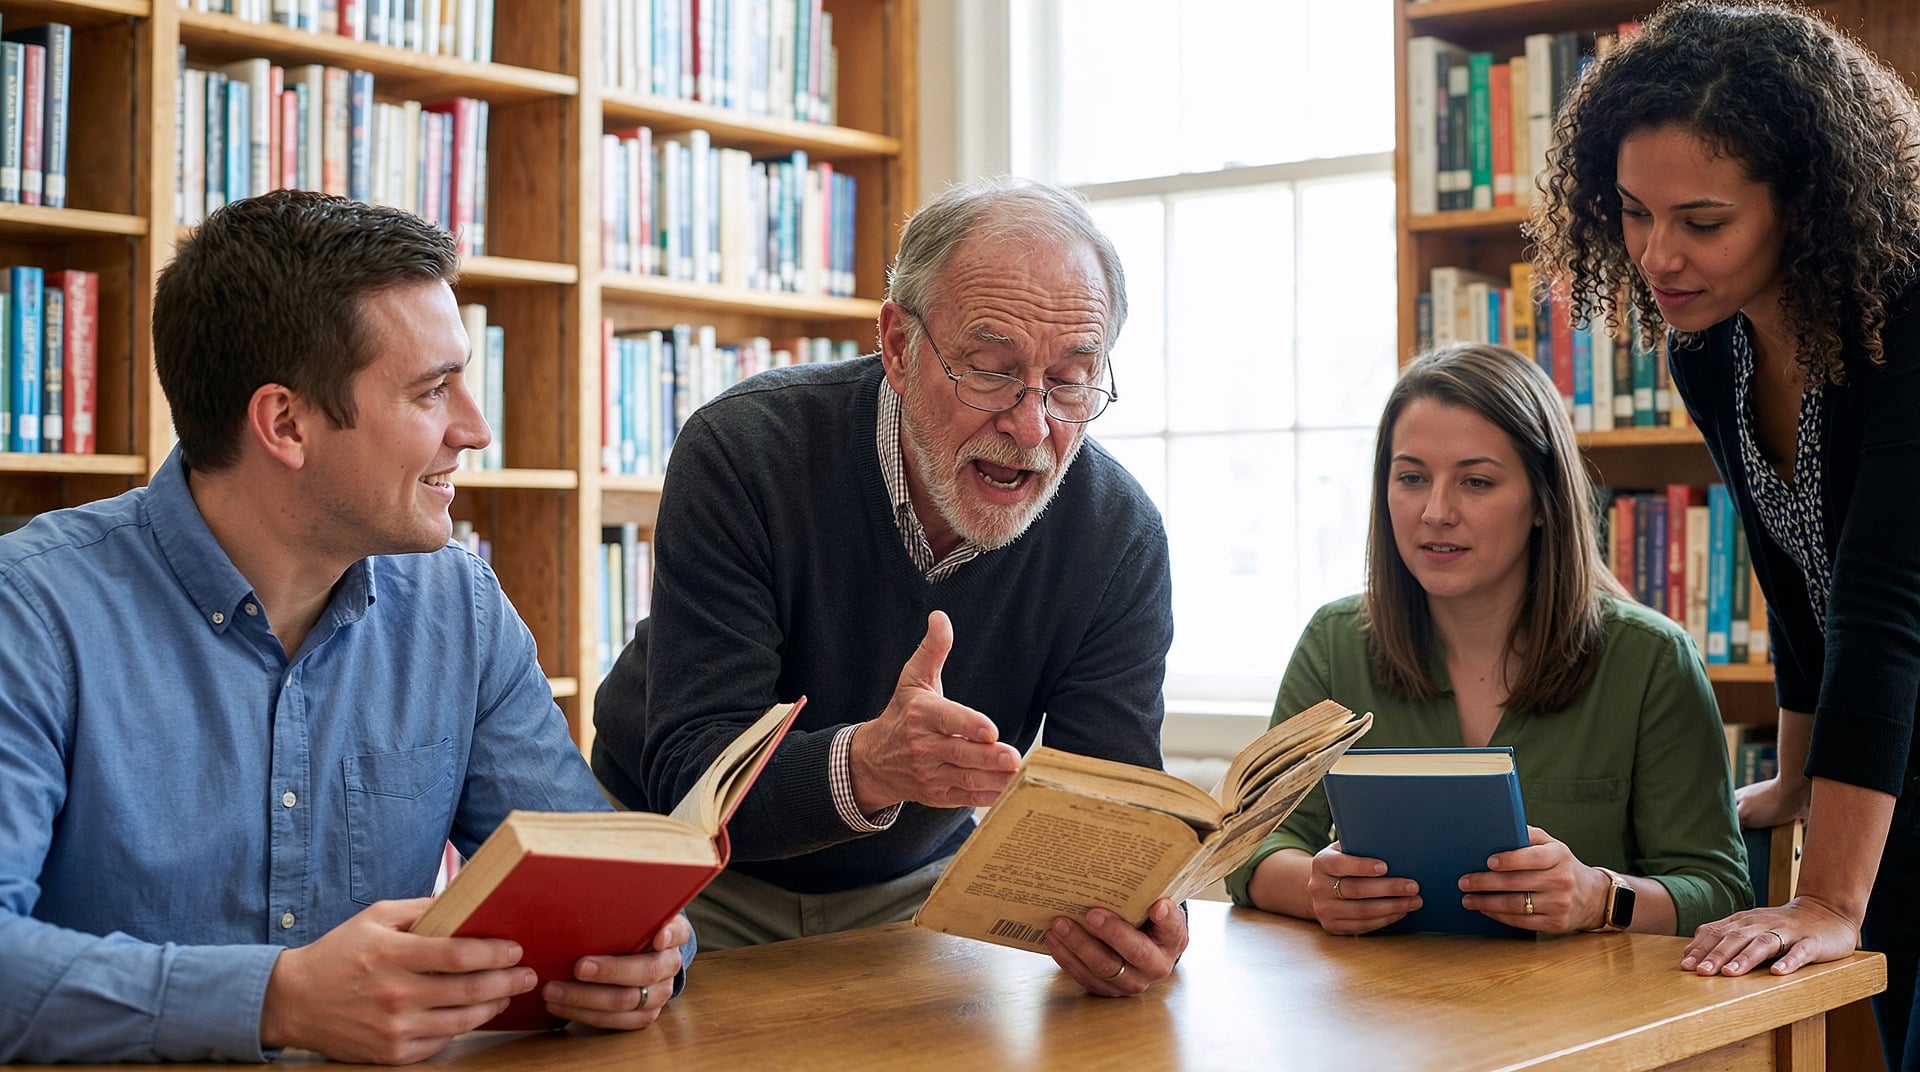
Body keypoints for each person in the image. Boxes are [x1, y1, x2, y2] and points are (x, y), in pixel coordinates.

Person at [0, 190, 694, 1064]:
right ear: (285, 423)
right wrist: (275, 1000)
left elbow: (602, 886)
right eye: (433, 390)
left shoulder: (461, 610)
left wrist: (641, 958)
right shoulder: (29, 612)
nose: (475, 429)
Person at [591, 176, 1184, 994]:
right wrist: (868, 764)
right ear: (900, 348)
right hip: (683, 871)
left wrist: (1130, 919)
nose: (1033, 425)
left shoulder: (1118, 536)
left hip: (909, 891)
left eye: (1073, 379)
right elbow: (694, 772)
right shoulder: (745, 452)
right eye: (990, 370)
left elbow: (1104, 810)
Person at [1530, 2, 1920, 1065]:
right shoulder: (1711, 351)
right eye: (1632, 212)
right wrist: (1796, 780)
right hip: (1888, 772)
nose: (1658, 255)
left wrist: (1830, 894)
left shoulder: (1908, 332)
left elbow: (1884, 608)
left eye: (1702, 222)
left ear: (1807, 202)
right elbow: (1794, 573)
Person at [1226, 343, 1751, 939]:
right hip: (1384, 1013)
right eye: (1411, 478)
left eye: (1476, 481)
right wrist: (1317, 890)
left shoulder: (1652, 660)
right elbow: (1253, 847)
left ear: (1542, 503)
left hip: (1587, 1016)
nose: (1436, 511)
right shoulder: (1333, 642)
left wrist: (1598, 897)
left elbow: (1719, 891)